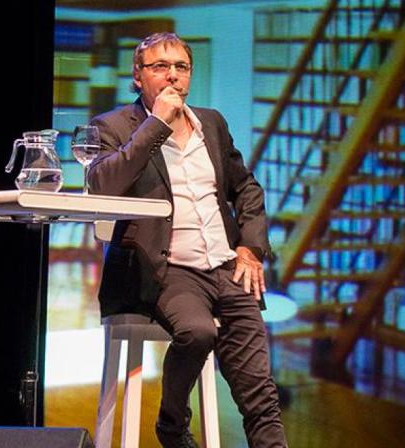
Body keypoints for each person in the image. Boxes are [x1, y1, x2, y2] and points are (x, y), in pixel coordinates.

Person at [87, 32, 288, 448]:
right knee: (197, 332)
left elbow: (246, 188)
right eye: (160, 67)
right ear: (138, 76)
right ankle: (173, 424)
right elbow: (103, 185)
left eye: (181, 67)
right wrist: (156, 124)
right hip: (166, 269)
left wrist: (250, 247)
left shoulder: (211, 123)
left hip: (227, 266)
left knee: (259, 390)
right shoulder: (112, 126)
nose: (172, 76)